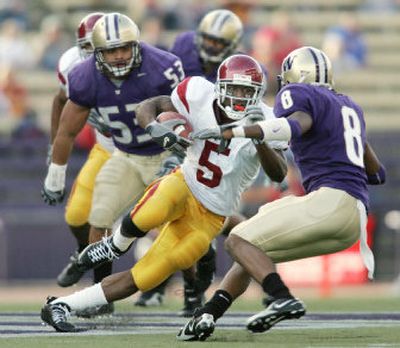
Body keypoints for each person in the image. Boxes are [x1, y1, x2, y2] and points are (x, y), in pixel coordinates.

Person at [39, 54, 288, 333]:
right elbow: (151, 105)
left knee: (146, 275)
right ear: (219, 86)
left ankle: (60, 306)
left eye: (247, 91)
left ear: (258, 95)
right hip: (185, 182)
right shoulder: (198, 93)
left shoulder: (267, 120)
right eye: (234, 88)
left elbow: (279, 172)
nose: (240, 97)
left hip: (212, 215)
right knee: (155, 207)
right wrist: (153, 126)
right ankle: (115, 245)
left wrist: (260, 137)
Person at [177, 46, 386, 341]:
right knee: (253, 250)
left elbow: (294, 126)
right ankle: (208, 313)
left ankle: (281, 297)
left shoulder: (299, 94)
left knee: (237, 239)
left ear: (296, 76)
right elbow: (377, 174)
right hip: (353, 219)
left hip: (329, 201)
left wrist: (234, 132)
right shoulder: (349, 106)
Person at [41, 12, 185, 314]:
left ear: (137, 45)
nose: (119, 57)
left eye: (124, 48)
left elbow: (186, 114)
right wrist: (54, 172)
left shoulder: (161, 67)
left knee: (185, 226)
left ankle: (195, 291)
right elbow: (67, 126)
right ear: (95, 51)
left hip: (164, 154)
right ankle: (97, 289)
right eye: (110, 50)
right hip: (122, 152)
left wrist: (178, 150)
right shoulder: (80, 72)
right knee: (96, 215)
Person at [136, 8, 245, 315]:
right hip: (180, 136)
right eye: (207, 40)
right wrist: (167, 121)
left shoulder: (235, 70)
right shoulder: (183, 47)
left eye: (217, 42)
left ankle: (251, 252)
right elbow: (166, 88)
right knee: (173, 211)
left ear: (232, 44)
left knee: (213, 216)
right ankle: (184, 290)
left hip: (215, 147)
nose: (210, 47)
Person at [45, 12, 118, 317]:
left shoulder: (137, 67)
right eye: (88, 47)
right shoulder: (73, 66)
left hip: (145, 151)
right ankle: (98, 287)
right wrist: (55, 153)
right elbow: (61, 100)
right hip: (106, 147)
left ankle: (194, 288)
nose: (95, 53)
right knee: (79, 216)